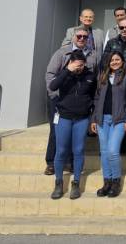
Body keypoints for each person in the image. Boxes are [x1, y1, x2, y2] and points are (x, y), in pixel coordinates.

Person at [44, 27, 98, 176]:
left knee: (75, 136)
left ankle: (71, 163)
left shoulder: (92, 55)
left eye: (85, 37)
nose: (82, 39)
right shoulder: (61, 53)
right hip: (59, 99)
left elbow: (95, 76)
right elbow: (50, 74)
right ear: (73, 37)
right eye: (79, 36)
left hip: (79, 102)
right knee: (56, 132)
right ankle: (51, 162)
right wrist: (54, 95)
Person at [48, 49, 96, 200]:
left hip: (82, 118)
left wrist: (92, 116)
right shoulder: (64, 73)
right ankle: (58, 183)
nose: (79, 68)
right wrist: (67, 71)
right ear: (70, 63)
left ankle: (76, 183)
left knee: (79, 150)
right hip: (64, 117)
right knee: (61, 150)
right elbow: (53, 86)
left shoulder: (90, 76)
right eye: (76, 64)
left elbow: (94, 97)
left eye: (81, 65)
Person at [90, 51, 126, 198]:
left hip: (119, 120)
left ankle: (116, 181)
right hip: (102, 119)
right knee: (104, 152)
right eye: (112, 60)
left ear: (122, 61)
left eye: (117, 59)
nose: (114, 62)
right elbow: (97, 99)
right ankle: (107, 182)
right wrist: (94, 119)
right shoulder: (102, 77)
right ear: (108, 63)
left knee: (113, 151)